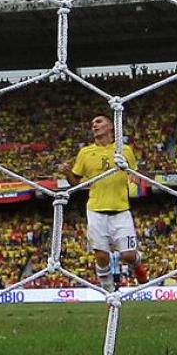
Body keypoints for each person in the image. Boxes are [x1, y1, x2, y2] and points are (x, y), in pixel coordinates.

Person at [59, 114, 148, 292]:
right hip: (96, 210)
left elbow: (135, 174)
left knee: (128, 255)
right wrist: (67, 172)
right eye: (92, 123)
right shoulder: (85, 153)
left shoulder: (125, 150)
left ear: (110, 127)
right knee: (101, 255)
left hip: (121, 210)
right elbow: (75, 182)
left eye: (99, 122)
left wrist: (134, 177)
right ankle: (109, 292)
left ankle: (138, 266)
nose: (95, 126)